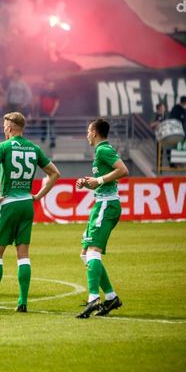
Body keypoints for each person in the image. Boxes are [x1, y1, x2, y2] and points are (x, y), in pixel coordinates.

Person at [0, 112, 61, 313]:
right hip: (27, 204)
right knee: (23, 254)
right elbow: (55, 173)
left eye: (4, 126)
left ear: (10, 128)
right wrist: (38, 196)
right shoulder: (34, 148)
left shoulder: (3, 147)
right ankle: (22, 302)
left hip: (9, 202)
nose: (4, 129)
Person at [75, 118, 128, 318]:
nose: (87, 135)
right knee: (85, 253)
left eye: (88, 131)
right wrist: (89, 182)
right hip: (102, 204)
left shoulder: (103, 150)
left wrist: (98, 179)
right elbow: (104, 181)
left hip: (107, 205)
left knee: (93, 251)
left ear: (95, 132)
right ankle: (111, 297)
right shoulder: (101, 151)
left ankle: (93, 299)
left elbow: (123, 170)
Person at [38, 81, 60, 148]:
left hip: (51, 113)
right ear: (47, 85)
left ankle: (52, 142)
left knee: (51, 127)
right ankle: (43, 137)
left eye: (52, 86)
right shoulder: (43, 92)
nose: (50, 87)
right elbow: (40, 102)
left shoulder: (55, 93)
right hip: (43, 113)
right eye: (49, 85)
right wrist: (40, 112)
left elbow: (57, 103)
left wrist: (53, 112)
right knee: (43, 126)